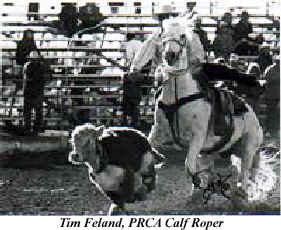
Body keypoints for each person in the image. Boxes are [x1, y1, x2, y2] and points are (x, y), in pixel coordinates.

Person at [22, 51, 51, 135]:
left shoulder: (30, 66)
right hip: (33, 92)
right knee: (34, 112)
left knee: (33, 113)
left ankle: (31, 130)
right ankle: (32, 130)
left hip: (33, 92)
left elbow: (29, 79)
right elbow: (29, 79)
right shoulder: (36, 66)